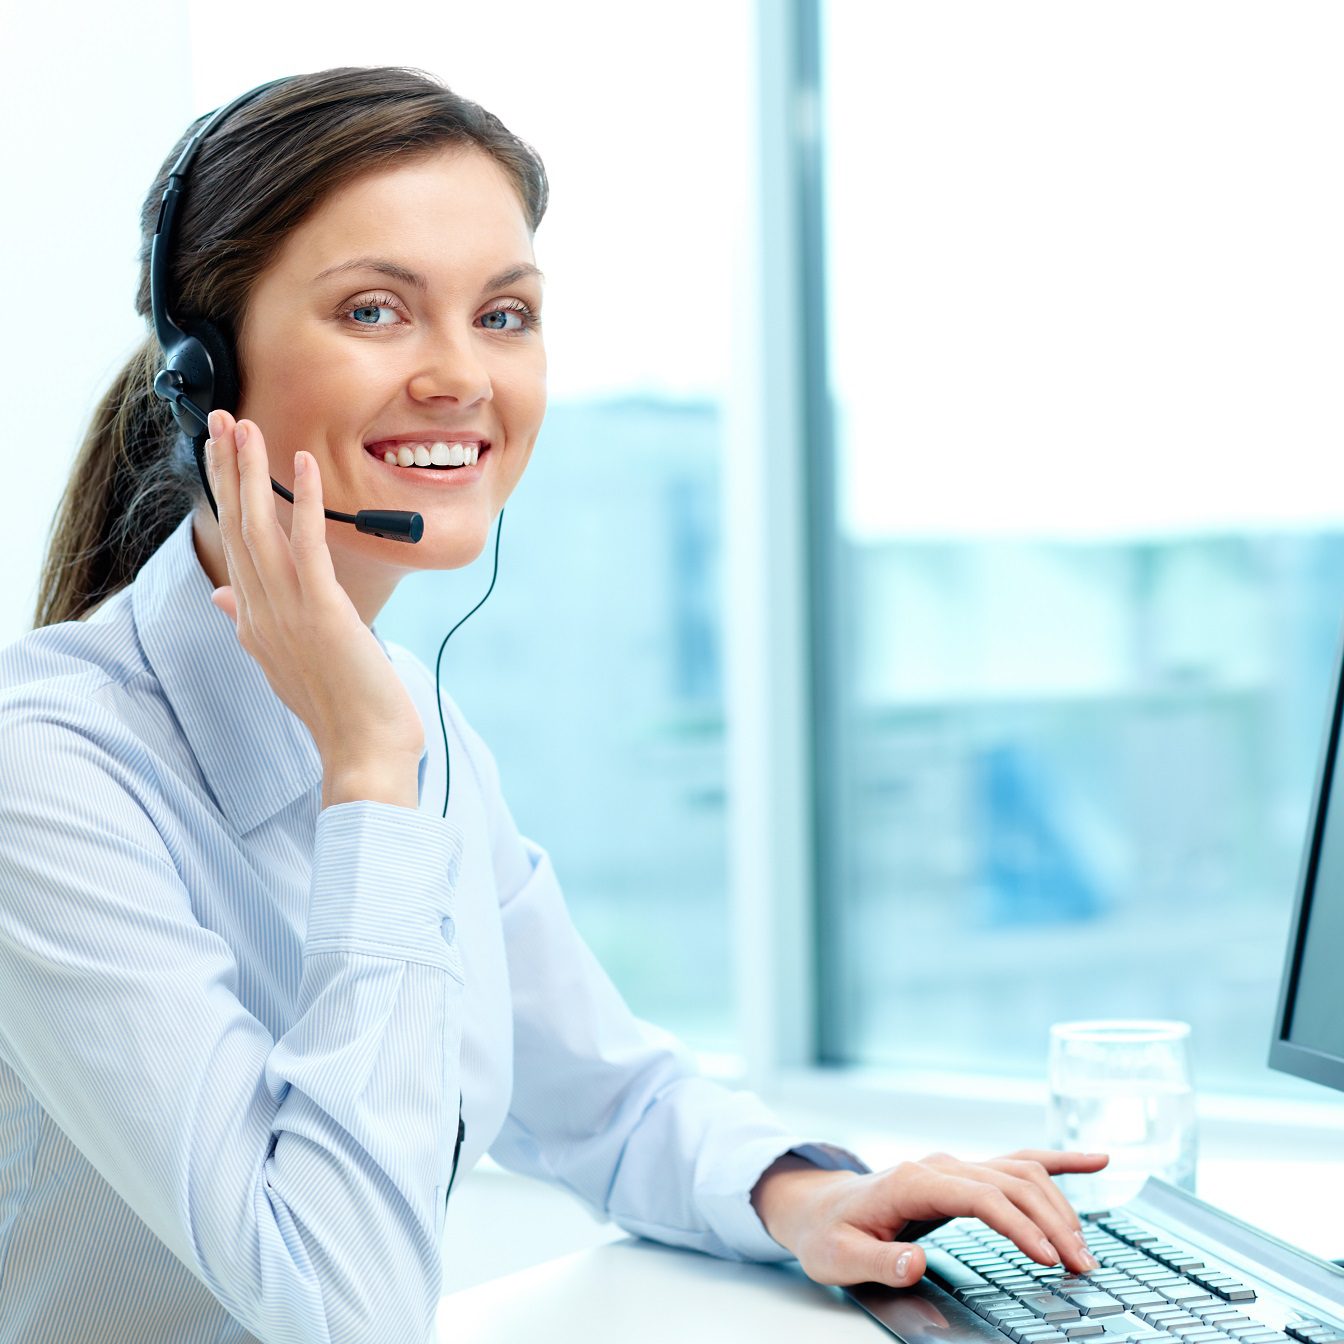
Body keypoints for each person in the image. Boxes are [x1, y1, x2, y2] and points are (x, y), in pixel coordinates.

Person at [0, 67, 1107, 1344]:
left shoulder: (415, 724)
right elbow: (335, 1310)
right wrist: (367, 773)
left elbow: (606, 1096)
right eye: (376, 310)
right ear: (208, 374)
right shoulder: (56, 766)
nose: (461, 377)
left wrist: (814, 1196)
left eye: (506, 314)